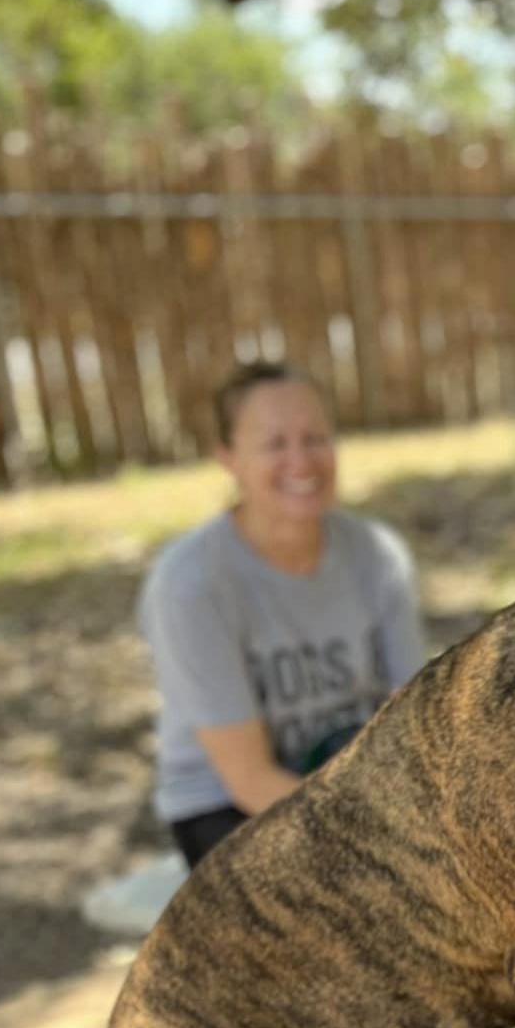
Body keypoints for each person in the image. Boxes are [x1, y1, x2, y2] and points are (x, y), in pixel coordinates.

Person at [139, 360, 426, 868]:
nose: (302, 461)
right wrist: (383, 841)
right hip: (225, 806)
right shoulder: (190, 584)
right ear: (228, 458)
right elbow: (249, 779)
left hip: (359, 786)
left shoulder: (378, 556)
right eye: (275, 444)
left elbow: (413, 722)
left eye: (315, 437)